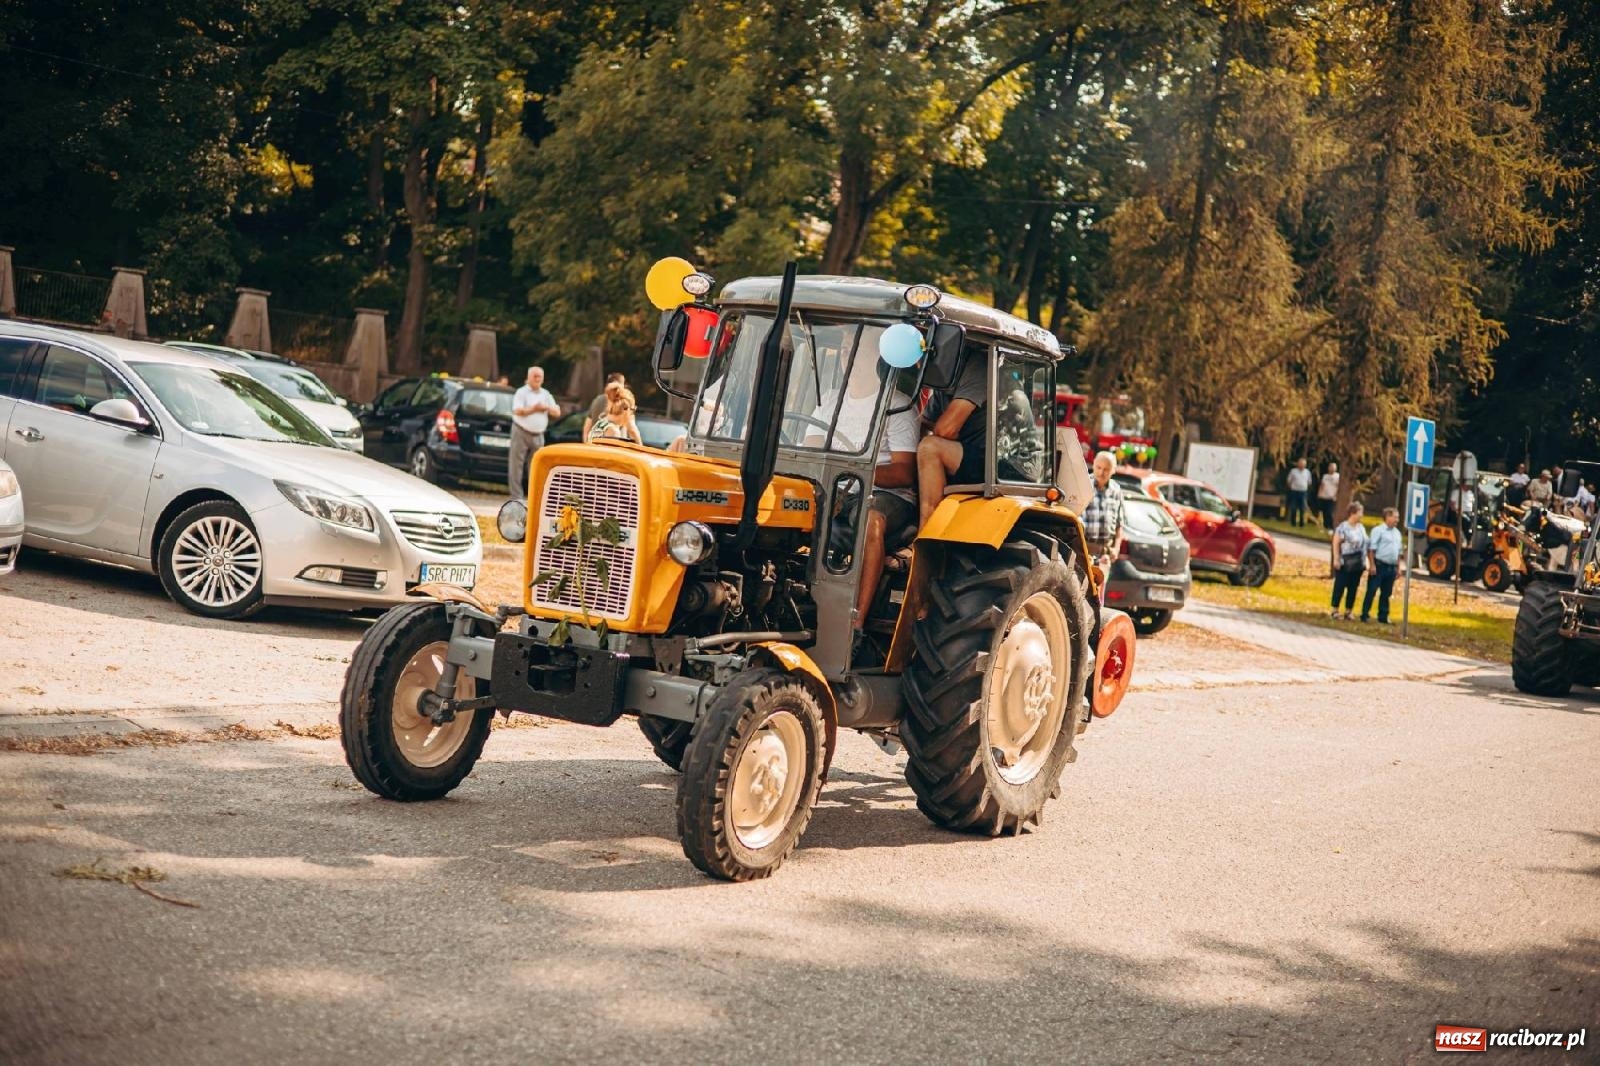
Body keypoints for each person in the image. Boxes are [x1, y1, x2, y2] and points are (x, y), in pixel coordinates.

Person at [804, 345, 919, 641]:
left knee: (870, 521)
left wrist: (854, 474)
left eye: (860, 350)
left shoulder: (897, 405)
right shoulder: (830, 401)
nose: (849, 356)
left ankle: (855, 625)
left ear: (877, 358)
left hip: (885, 493)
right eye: (844, 350)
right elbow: (812, 452)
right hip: (836, 488)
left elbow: (904, 471)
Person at [916, 348, 987, 527]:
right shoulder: (944, 379)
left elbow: (945, 430)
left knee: (930, 448)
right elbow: (923, 425)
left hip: (1007, 465)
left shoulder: (979, 365)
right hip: (974, 456)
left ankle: (928, 533)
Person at [509, 366, 560, 501]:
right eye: (535, 376)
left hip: (538, 434)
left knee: (536, 466)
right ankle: (517, 497)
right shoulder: (521, 392)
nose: (537, 379)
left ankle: (534, 496)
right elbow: (517, 411)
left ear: (543, 379)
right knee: (516, 466)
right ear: (529, 377)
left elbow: (557, 412)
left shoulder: (546, 394)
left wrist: (547, 408)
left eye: (539, 376)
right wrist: (534, 409)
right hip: (521, 430)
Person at [1082, 451, 1126, 575]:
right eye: (1099, 467)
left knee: (1099, 593)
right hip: (1082, 551)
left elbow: (1119, 525)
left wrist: (1116, 549)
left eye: (1106, 469)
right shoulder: (1083, 485)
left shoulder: (1116, 490)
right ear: (1093, 465)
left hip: (1104, 555)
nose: (1101, 472)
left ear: (1113, 470)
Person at [1360, 507, 1402, 624]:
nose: (1397, 520)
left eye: (1397, 517)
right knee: (1372, 590)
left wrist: (1398, 568)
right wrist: (1372, 564)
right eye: (1395, 517)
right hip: (1379, 565)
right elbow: (1371, 549)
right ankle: (1365, 614)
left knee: (1386, 593)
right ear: (1387, 517)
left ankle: (1383, 615)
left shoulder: (1397, 533)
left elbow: (1398, 552)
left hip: (1391, 567)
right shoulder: (1378, 531)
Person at [1329, 502, 1368, 620]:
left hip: (1358, 562)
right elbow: (1336, 543)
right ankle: (1335, 609)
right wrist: (1336, 558)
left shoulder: (1361, 528)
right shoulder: (1343, 527)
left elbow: (1366, 543)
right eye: (1360, 512)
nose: (1361, 515)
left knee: (1353, 587)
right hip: (1345, 561)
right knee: (1340, 585)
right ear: (1353, 513)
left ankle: (1348, 610)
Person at [587, 380, 642, 444]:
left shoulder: (601, 423)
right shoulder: (613, 431)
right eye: (633, 410)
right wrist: (633, 429)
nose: (632, 415)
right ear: (626, 410)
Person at [584, 372, 626, 441]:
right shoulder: (621, 402)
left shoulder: (596, 400)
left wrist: (587, 445)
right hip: (613, 446)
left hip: (595, 445)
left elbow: (586, 428)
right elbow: (632, 429)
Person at [1285, 458, 1313, 527]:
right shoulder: (1293, 471)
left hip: (1303, 492)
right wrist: (1291, 487)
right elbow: (1289, 481)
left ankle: (1301, 523)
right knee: (1293, 507)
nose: (1301, 465)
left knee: (1302, 508)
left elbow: (1309, 482)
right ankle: (1293, 523)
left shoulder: (1307, 472)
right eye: (1300, 464)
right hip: (1294, 491)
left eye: (1303, 464)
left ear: (1305, 465)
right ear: (1298, 464)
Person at [1315, 462, 1340, 530]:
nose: (1332, 468)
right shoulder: (1325, 476)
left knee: (1330, 512)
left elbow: (1338, 487)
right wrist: (1319, 493)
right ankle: (1326, 526)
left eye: (1333, 467)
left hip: (1332, 497)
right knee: (1324, 512)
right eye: (1330, 467)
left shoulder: (1337, 476)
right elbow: (1322, 485)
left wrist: (1336, 495)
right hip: (1324, 496)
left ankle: (1331, 526)